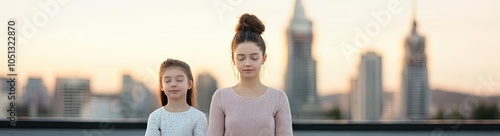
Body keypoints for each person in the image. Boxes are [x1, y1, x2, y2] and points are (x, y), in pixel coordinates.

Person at [207, 13, 293, 136]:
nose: (247, 63)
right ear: (233, 59)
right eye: (241, 58)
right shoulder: (221, 97)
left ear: (263, 58)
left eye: (254, 58)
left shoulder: (278, 98)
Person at [145, 58, 207, 136]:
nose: (173, 84)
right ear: (161, 86)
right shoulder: (155, 117)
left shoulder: (198, 117)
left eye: (179, 80)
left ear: (189, 84)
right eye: (167, 81)